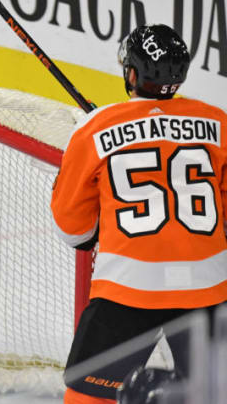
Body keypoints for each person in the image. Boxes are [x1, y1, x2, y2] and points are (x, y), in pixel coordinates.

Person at [51, 24, 227, 404]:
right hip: (208, 287)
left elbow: (73, 230)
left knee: (86, 398)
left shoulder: (93, 130)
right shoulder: (220, 123)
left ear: (131, 74)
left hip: (129, 288)